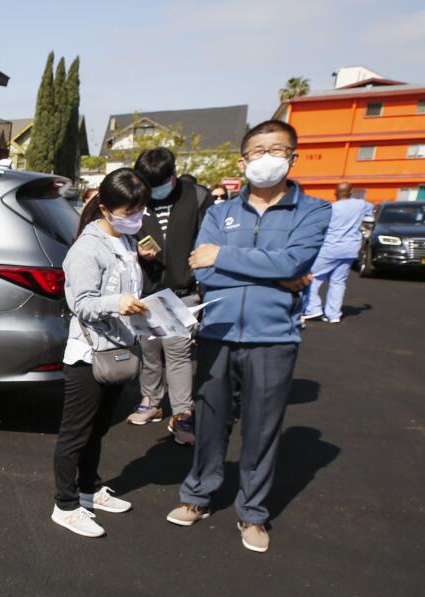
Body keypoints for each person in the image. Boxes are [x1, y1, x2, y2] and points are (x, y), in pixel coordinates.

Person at [167, 120, 330, 553]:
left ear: (293, 155)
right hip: (218, 332)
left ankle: (252, 513)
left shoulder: (313, 210)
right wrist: (274, 273)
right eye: (257, 151)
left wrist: (225, 255)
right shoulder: (220, 213)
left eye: (277, 149)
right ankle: (197, 494)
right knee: (209, 421)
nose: (267, 158)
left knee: (262, 429)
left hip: (273, 338)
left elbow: (294, 262)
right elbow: (202, 270)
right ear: (244, 159)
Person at [50, 168, 149, 538]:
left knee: (98, 429)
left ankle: (89, 489)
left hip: (118, 347)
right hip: (88, 355)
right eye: (129, 212)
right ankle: (65, 504)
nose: (136, 218)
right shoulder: (87, 248)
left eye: (140, 210)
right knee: (75, 433)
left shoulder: (126, 241)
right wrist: (118, 302)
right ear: (105, 209)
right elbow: (81, 303)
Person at [127, 148, 212, 445]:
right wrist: (136, 251)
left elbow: (208, 241)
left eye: (157, 185)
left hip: (182, 291)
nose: (151, 192)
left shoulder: (197, 196)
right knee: (149, 352)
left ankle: (182, 413)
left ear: (172, 176)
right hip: (146, 291)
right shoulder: (136, 198)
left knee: (178, 354)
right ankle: (151, 401)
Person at [302, 181, 372, 324]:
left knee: (312, 277)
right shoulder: (360, 204)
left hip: (330, 248)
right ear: (351, 192)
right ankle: (334, 315)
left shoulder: (330, 208)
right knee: (338, 282)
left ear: (335, 193)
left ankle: (313, 309)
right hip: (350, 249)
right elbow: (370, 214)